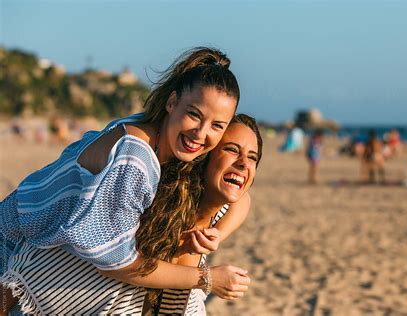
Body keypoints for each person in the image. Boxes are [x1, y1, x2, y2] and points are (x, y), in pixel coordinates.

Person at [0, 47, 248, 315]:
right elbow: (117, 263)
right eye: (195, 114)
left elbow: (242, 197)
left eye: (217, 126)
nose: (201, 133)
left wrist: (217, 234)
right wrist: (208, 278)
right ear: (172, 103)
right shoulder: (135, 157)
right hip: (12, 247)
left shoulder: (161, 136)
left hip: (35, 244)